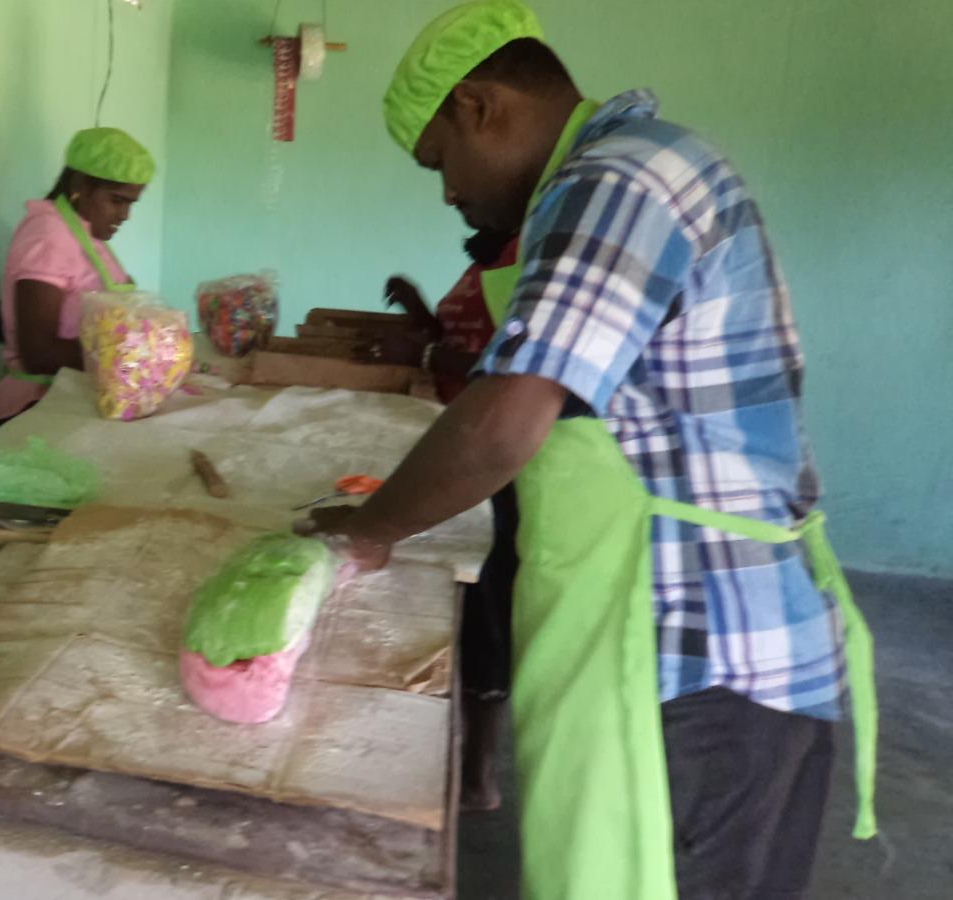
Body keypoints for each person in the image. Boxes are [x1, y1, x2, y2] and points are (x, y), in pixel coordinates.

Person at [302, 2, 877, 897]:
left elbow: (507, 418)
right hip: (715, 650)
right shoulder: (643, 167)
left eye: (438, 162)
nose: (447, 192)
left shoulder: (616, 181)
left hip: (697, 661)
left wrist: (370, 530)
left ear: (478, 106)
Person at [364, 228, 522, 811]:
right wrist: (420, 312)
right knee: (468, 598)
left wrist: (427, 355)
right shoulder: (491, 259)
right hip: (465, 437)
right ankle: (454, 754)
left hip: (493, 460)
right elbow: (470, 338)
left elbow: (508, 371)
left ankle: (478, 776)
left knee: (486, 606)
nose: (453, 201)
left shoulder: (524, 250)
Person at [0, 127, 155, 429]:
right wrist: (134, 354)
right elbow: (38, 353)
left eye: (131, 203)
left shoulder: (87, 236)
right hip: (35, 409)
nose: (125, 215)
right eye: (117, 200)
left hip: (72, 401)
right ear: (80, 184)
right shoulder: (48, 234)